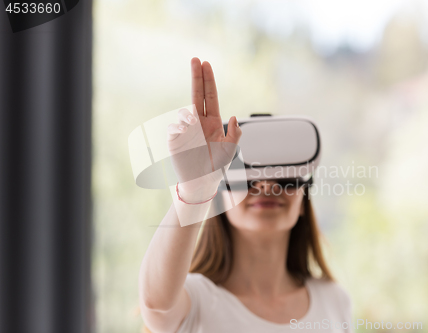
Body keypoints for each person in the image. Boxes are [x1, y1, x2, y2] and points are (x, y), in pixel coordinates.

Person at [138, 57, 352, 333]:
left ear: (303, 202)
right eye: (247, 175)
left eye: (285, 174)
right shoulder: (196, 301)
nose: (265, 184)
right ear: (220, 198)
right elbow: (156, 304)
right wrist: (196, 188)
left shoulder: (334, 300)